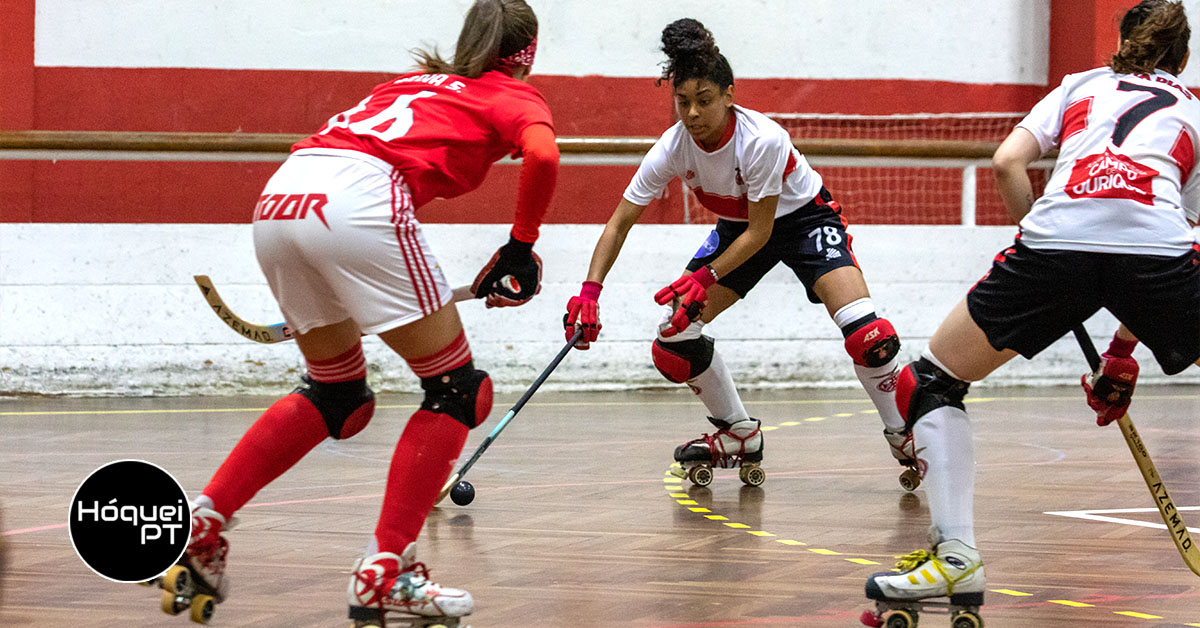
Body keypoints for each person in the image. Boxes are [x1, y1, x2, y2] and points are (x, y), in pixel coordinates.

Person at [165, 1, 559, 625]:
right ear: (529, 52)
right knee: (458, 390)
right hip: (362, 199)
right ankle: (386, 571)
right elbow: (542, 156)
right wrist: (522, 244)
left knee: (338, 396)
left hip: (284, 195)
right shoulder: (510, 95)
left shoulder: (403, 85)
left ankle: (206, 522)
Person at [862, 0, 1199, 619]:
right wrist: (1122, 355)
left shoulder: (1080, 87)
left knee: (931, 382)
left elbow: (1006, 163)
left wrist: (1045, 248)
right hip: (1158, 255)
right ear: (1182, 59)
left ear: (1120, 43)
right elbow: (1159, 229)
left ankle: (956, 558)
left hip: (1054, 247)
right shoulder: (1194, 112)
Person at [562, 18, 909, 487]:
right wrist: (589, 291)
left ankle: (908, 431)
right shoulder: (671, 148)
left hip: (803, 222)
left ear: (729, 95)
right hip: (739, 229)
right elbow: (620, 221)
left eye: (704, 101)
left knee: (868, 334)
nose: (692, 114)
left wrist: (705, 277)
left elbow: (763, 233)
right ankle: (738, 432)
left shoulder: (761, 140)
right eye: (682, 102)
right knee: (673, 342)